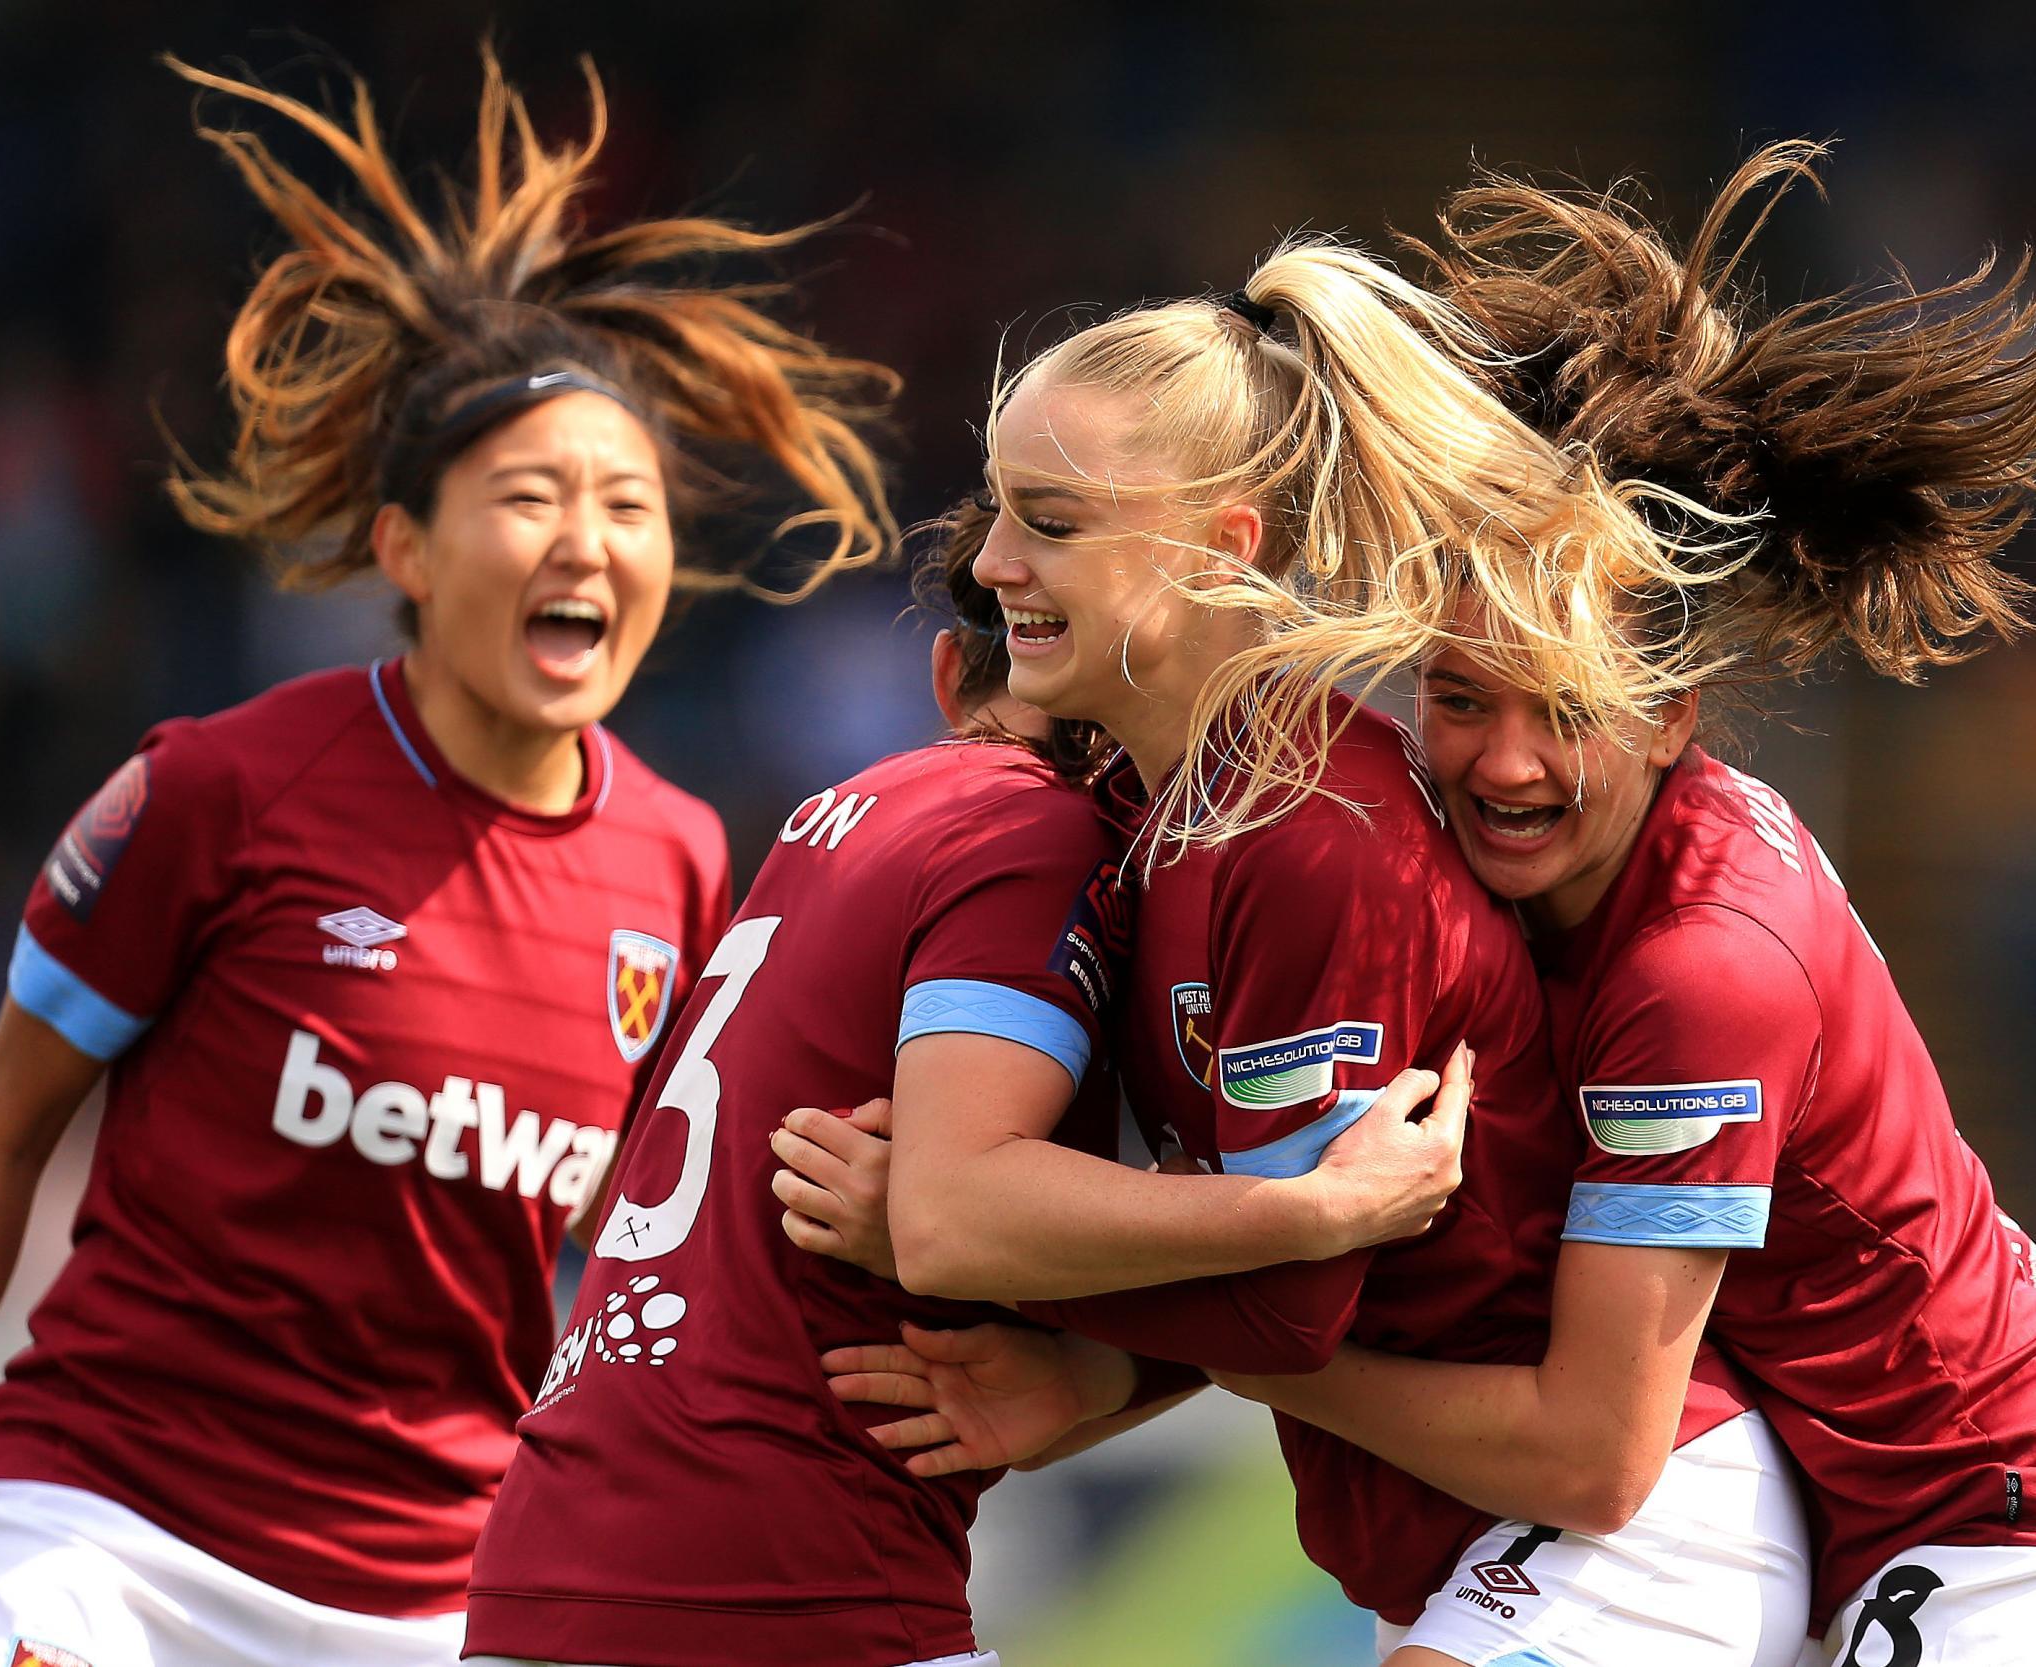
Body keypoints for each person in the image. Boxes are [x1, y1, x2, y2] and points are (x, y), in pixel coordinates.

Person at [824, 146, 2036, 1667]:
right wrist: (1128, 1354)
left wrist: (1041, 1271)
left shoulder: (1693, 965)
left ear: (1674, 713)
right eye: (1460, 695)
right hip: (1734, 1498)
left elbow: (1572, 1437)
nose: (1505, 759)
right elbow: (1327, 1278)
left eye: (1566, 707)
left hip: (1950, 1517)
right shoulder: (1382, 838)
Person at [0, 48, 896, 1667]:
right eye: (529, 494)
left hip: (429, 1601)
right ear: (403, 545)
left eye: (629, 504)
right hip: (104, 1537)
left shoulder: (675, 857)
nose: (587, 540)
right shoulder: (219, 790)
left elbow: (646, 1243)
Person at [461, 493, 1470, 1667]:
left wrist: (1095, 1373)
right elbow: (953, 1220)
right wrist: (1315, 1211)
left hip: (560, 1554)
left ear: (946, 676)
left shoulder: (849, 815)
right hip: (774, 1576)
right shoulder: (1036, 826)